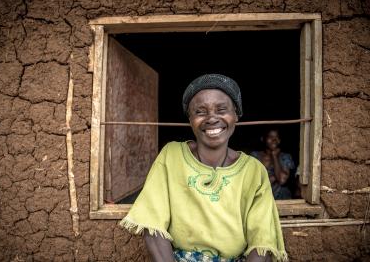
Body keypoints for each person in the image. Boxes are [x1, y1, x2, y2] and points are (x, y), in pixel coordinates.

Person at [120, 74, 287, 262]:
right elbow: (152, 222)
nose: (211, 118)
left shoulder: (254, 171)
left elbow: (262, 240)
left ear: (236, 116)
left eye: (222, 109)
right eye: (200, 112)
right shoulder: (172, 156)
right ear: (190, 119)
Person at [251, 128, 295, 200]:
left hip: (280, 197)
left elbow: (281, 180)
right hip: (260, 196)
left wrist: (274, 156)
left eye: (277, 137)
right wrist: (272, 178)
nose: (274, 140)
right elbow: (252, 180)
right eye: (270, 137)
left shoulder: (285, 157)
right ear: (263, 139)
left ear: (280, 140)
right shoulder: (255, 156)